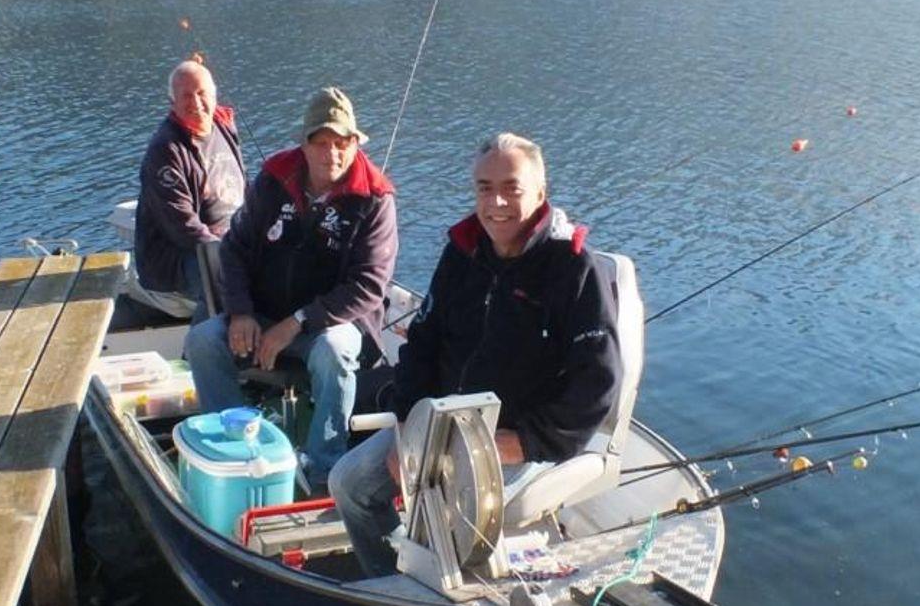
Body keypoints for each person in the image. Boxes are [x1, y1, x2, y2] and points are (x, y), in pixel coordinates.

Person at [330, 132, 622, 577]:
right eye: (485, 188)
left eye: (511, 188)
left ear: (540, 192)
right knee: (349, 483)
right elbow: (423, 343)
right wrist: (408, 424)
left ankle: (443, 577)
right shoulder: (462, 253)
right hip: (441, 426)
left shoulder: (576, 268)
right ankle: (393, 578)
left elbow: (599, 381)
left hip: (521, 439)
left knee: (448, 517)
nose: (496, 203)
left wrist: (525, 441)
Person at [183, 87, 397, 490]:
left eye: (342, 143)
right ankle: (236, 452)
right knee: (203, 341)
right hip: (261, 316)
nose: (332, 153)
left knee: (334, 351)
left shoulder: (375, 199)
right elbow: (233, 249)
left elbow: (369, 285)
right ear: (304, 143)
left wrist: (298, 321)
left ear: (355, 143)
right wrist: (240, 311)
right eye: (321, 142)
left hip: (329, 326)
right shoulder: (273, 179)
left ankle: (324, 471)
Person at [133, 58, 245, 319]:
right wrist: (230, 251)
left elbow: (245, 190)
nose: (196, 102)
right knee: (226, 280)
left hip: (230, 238)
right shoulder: (166, 151)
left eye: (202, 93)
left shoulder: (223, 127)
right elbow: (184, 228)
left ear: (214, 95)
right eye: (186, 96)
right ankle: (205, 340)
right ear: (172, 102)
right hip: (180, 256)